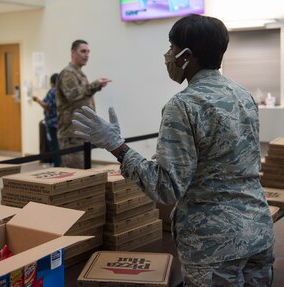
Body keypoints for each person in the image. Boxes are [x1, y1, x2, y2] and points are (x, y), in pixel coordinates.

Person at [72, 14, 275, 286]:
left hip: (214, 245)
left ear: (186, 55)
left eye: (171, 47)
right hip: (259, 233)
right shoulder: (242, 94)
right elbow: (222, 158)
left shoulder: (183, 105)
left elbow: (166, 187)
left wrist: (117, 146)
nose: (168, 55)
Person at [56, 39, 111, 169]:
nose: (86, 55)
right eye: (83, 51)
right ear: (73, 52)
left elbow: (82, 97)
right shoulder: (68, 73)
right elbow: (73, 95)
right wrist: (95, 85)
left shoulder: (79, 73)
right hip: (71, 133)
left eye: (88, 52)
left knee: (82, 173)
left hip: (81, 131)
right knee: (75, 175)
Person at [33, 73, 61, 167]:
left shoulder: (52, 91)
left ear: (52, 82)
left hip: (52, 123)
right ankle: (60, 164)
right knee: (60, 145)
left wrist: (37, 99)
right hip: (61, 123)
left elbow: (47, 106)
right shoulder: (62, 91)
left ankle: (57, 166)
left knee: (54, 146)